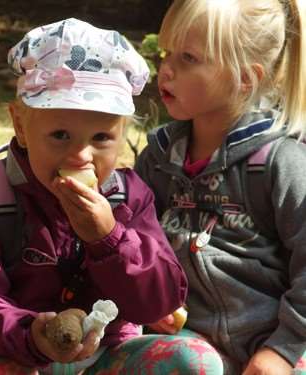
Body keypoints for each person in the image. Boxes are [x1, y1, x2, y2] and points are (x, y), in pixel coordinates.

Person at [0, 18, 215, 375]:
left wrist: (109, 239)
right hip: (17, 355)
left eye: (100, 138)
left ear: (122, 132)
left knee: (195, 361)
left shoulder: (128, 197)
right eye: (60, 135)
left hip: (108, 354)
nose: (81, 156)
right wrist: (31, 334)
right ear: (21, 125)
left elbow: (160, 300)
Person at [135, 1, 306, 374]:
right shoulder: (158, 160)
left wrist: (282, 351)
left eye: (188, 58)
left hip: (281, 340)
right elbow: (137, 243)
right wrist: (149, 300)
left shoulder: (280, 162)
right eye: (166, 53)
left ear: (245, 77)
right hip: (189, 340)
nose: (166, 69)